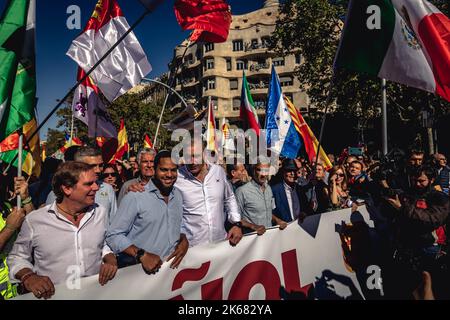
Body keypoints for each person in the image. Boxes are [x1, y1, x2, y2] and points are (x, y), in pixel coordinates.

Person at [8, 162, 118, 299]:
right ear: (67, 189)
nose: (96, 187)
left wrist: (110, 257)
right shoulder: (35, 221)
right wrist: (29, 277)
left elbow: (101, 243)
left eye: (95, 182)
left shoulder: (100, 213)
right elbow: (16, 257)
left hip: (95, 294)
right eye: (89, 184)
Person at [106, 151, 188, 272]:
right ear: (154, 170)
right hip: (140, 277)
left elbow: (178, 226)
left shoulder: (178, 195)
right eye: (164, 170)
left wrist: (183, 239)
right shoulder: (135, 196)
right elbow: (113, 235)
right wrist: (141, 255)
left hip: (170, 274)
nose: (169, 175)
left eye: (173, 170)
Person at [46, 146, 117, 221]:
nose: (98, 170)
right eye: (92, 166)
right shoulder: (60, 192)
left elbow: (114, 221)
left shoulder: (108, 189)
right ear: (78, 165)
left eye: (101, 165)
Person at [235, 162, 275, 235]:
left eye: (266, 170)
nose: (263, 174)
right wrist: (253, 226)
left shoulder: (269, 188)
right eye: (259, 170)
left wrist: (278, 221)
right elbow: (236, 219)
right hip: (253, 241)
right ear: (253, 170)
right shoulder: (242, 191)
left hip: (270, 238)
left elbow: (269, 212)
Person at [272, 159, 307, 225]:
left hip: (300, 227)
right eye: (289, 171)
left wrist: (303, 213)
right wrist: (277, 220)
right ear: (283, 172)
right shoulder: (275, 190)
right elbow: (270, 212)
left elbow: (305, 208)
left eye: (294, 171)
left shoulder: (300, 190)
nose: (292, 173)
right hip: (283, 230)